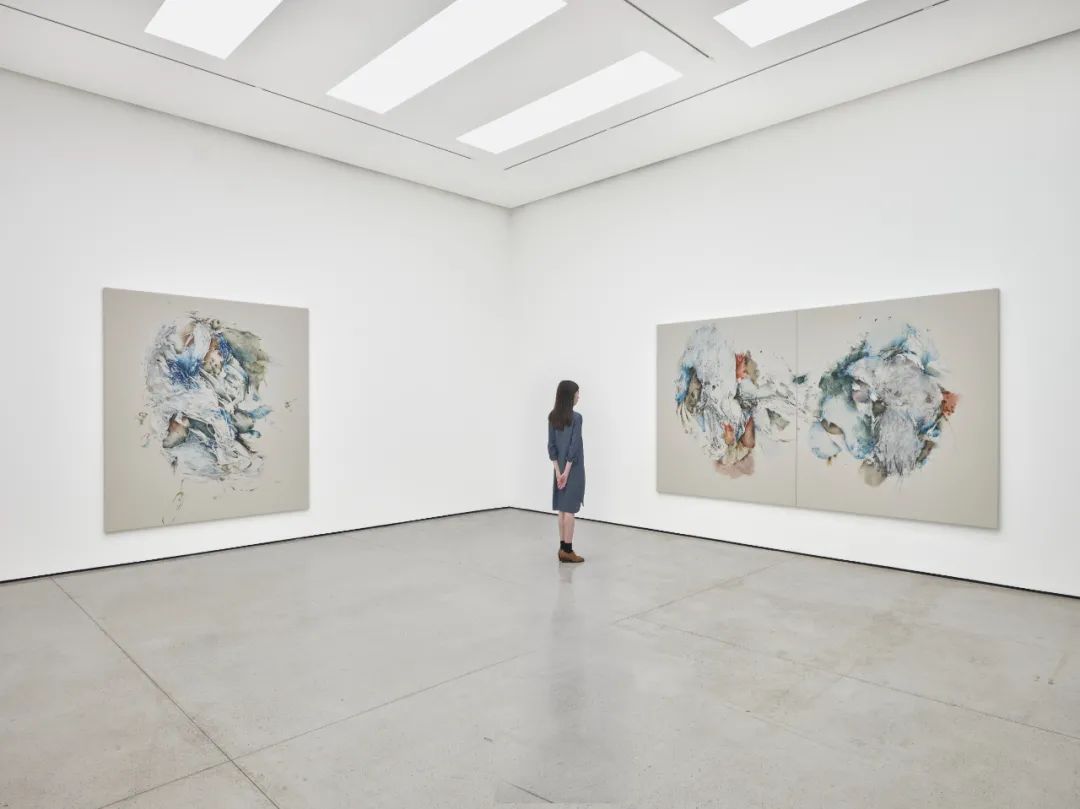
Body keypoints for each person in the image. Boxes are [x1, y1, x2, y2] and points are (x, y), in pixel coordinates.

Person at [547, 380, 585, 563]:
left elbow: (551, 446)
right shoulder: (576, 418)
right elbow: (574, 446)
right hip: (572, 469)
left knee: (562, 509)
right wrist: (567, 473)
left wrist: (558, 472)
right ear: (570, 396)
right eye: (577, 393)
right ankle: (568, 551)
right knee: (570, 510)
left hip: (559, 469)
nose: (579, 396)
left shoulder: (553, 417)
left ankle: (562, 548)